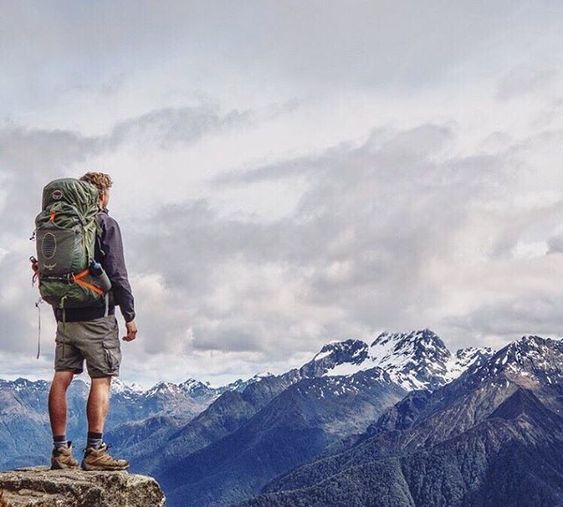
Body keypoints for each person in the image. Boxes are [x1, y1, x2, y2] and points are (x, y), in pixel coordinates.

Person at [47, 172, 138, 470]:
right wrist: (130, 316)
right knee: (101, 378)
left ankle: (60, 452)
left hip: (64, 314)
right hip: (97, 316)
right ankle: (95, 451)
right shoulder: (105, 224)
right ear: (100, 195)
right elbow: (118, 273)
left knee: (62, 377)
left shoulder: (58, 222)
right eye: (107, 193)